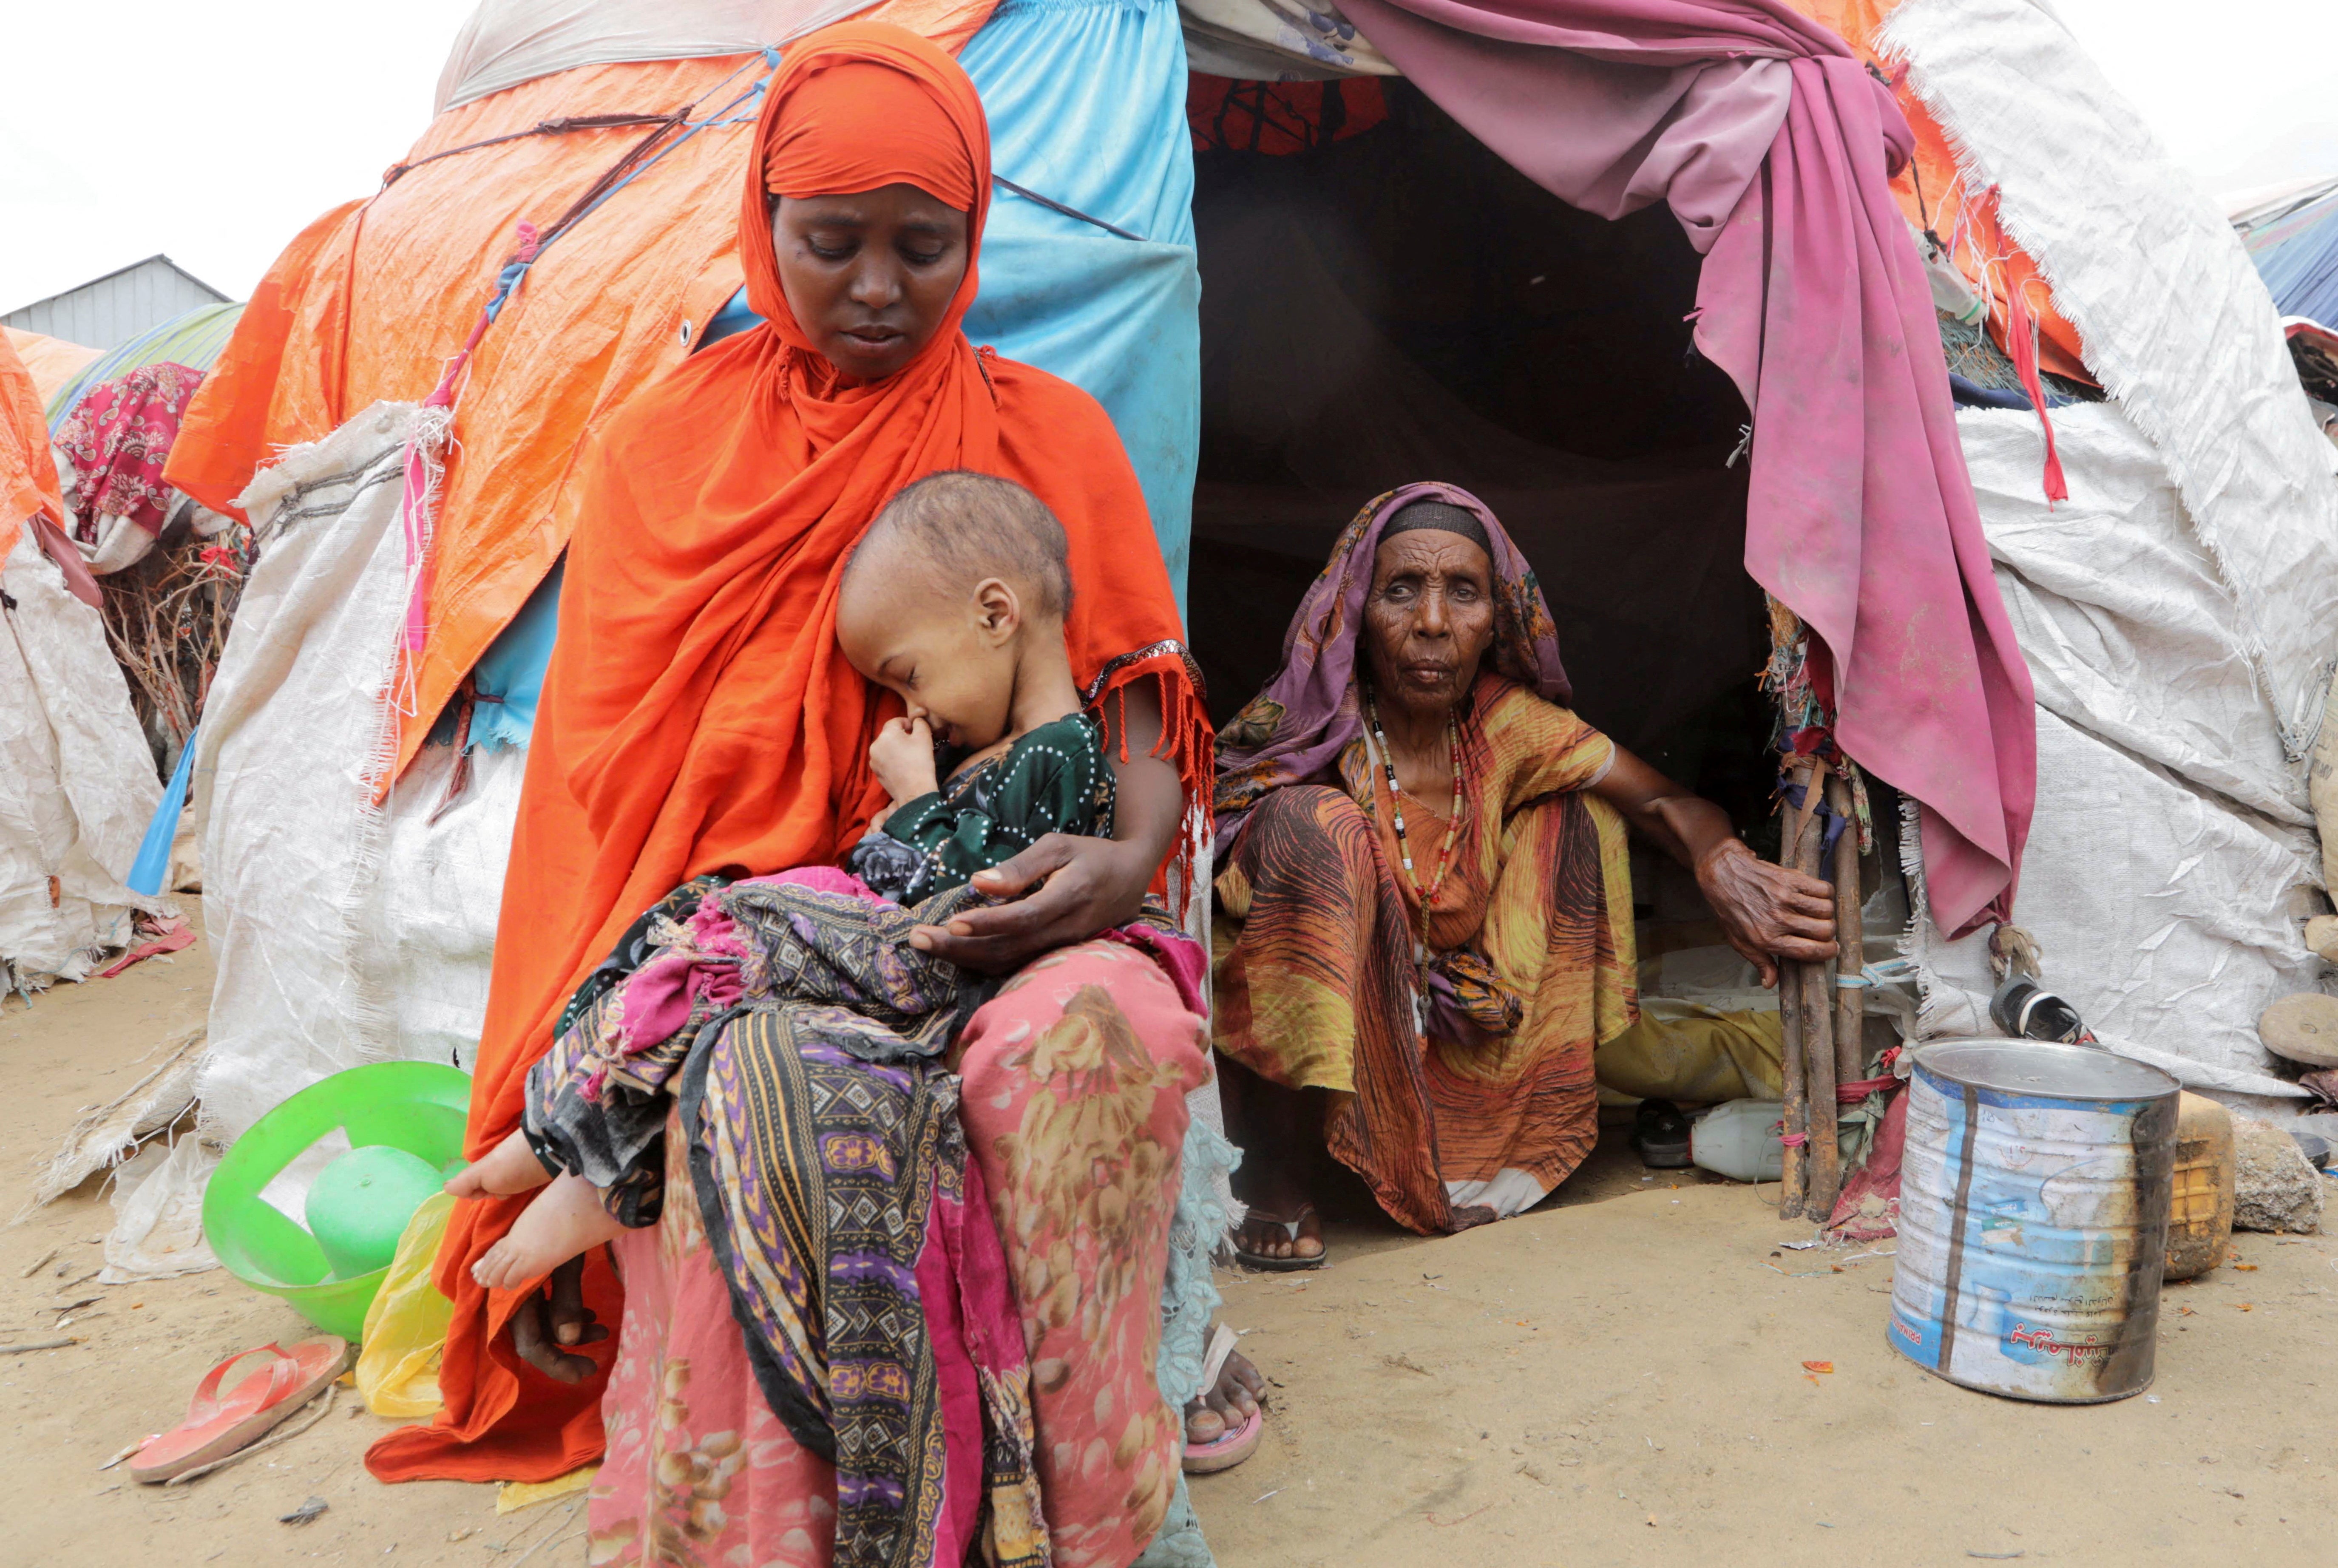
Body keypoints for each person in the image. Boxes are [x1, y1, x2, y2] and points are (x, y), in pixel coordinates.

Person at [369, 26, 1259, 1565]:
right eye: (830, 241)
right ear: (759, 223)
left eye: (928, 247)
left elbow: (1139, 718)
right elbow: (617, 797)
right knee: (753, 1078)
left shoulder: (1051, 436)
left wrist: (1121, 873)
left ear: (979, 240)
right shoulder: (663, 449)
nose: (875, 287)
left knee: (1093, 1033)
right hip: (766, 933)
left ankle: (1104, 1515)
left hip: (1026, 911)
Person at [447, 469, 1123, 1288]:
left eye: (909, 676)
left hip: (944, 974)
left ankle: (580, 1155)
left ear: (994, 614)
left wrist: (914, 802)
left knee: (739, 931)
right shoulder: (990, 750)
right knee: (696, 918)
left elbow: (983, 886)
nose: (911, 708)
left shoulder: (1064, 748)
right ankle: (578, 1134)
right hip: (896, 956)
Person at [1210, 483, 1836, 1265]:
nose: (1433, 622)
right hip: (1302, 1055)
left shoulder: (1501, 726)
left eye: (1462, 594)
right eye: (1401, 590)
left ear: (1495, 620)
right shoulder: (1310, 731)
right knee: (1314, 825)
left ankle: (1493, 1136)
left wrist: (1722, 861)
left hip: (1455, 1025)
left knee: (1578, 812)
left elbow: (1663, 801)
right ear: (1355, 612)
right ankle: (1273, 1158)